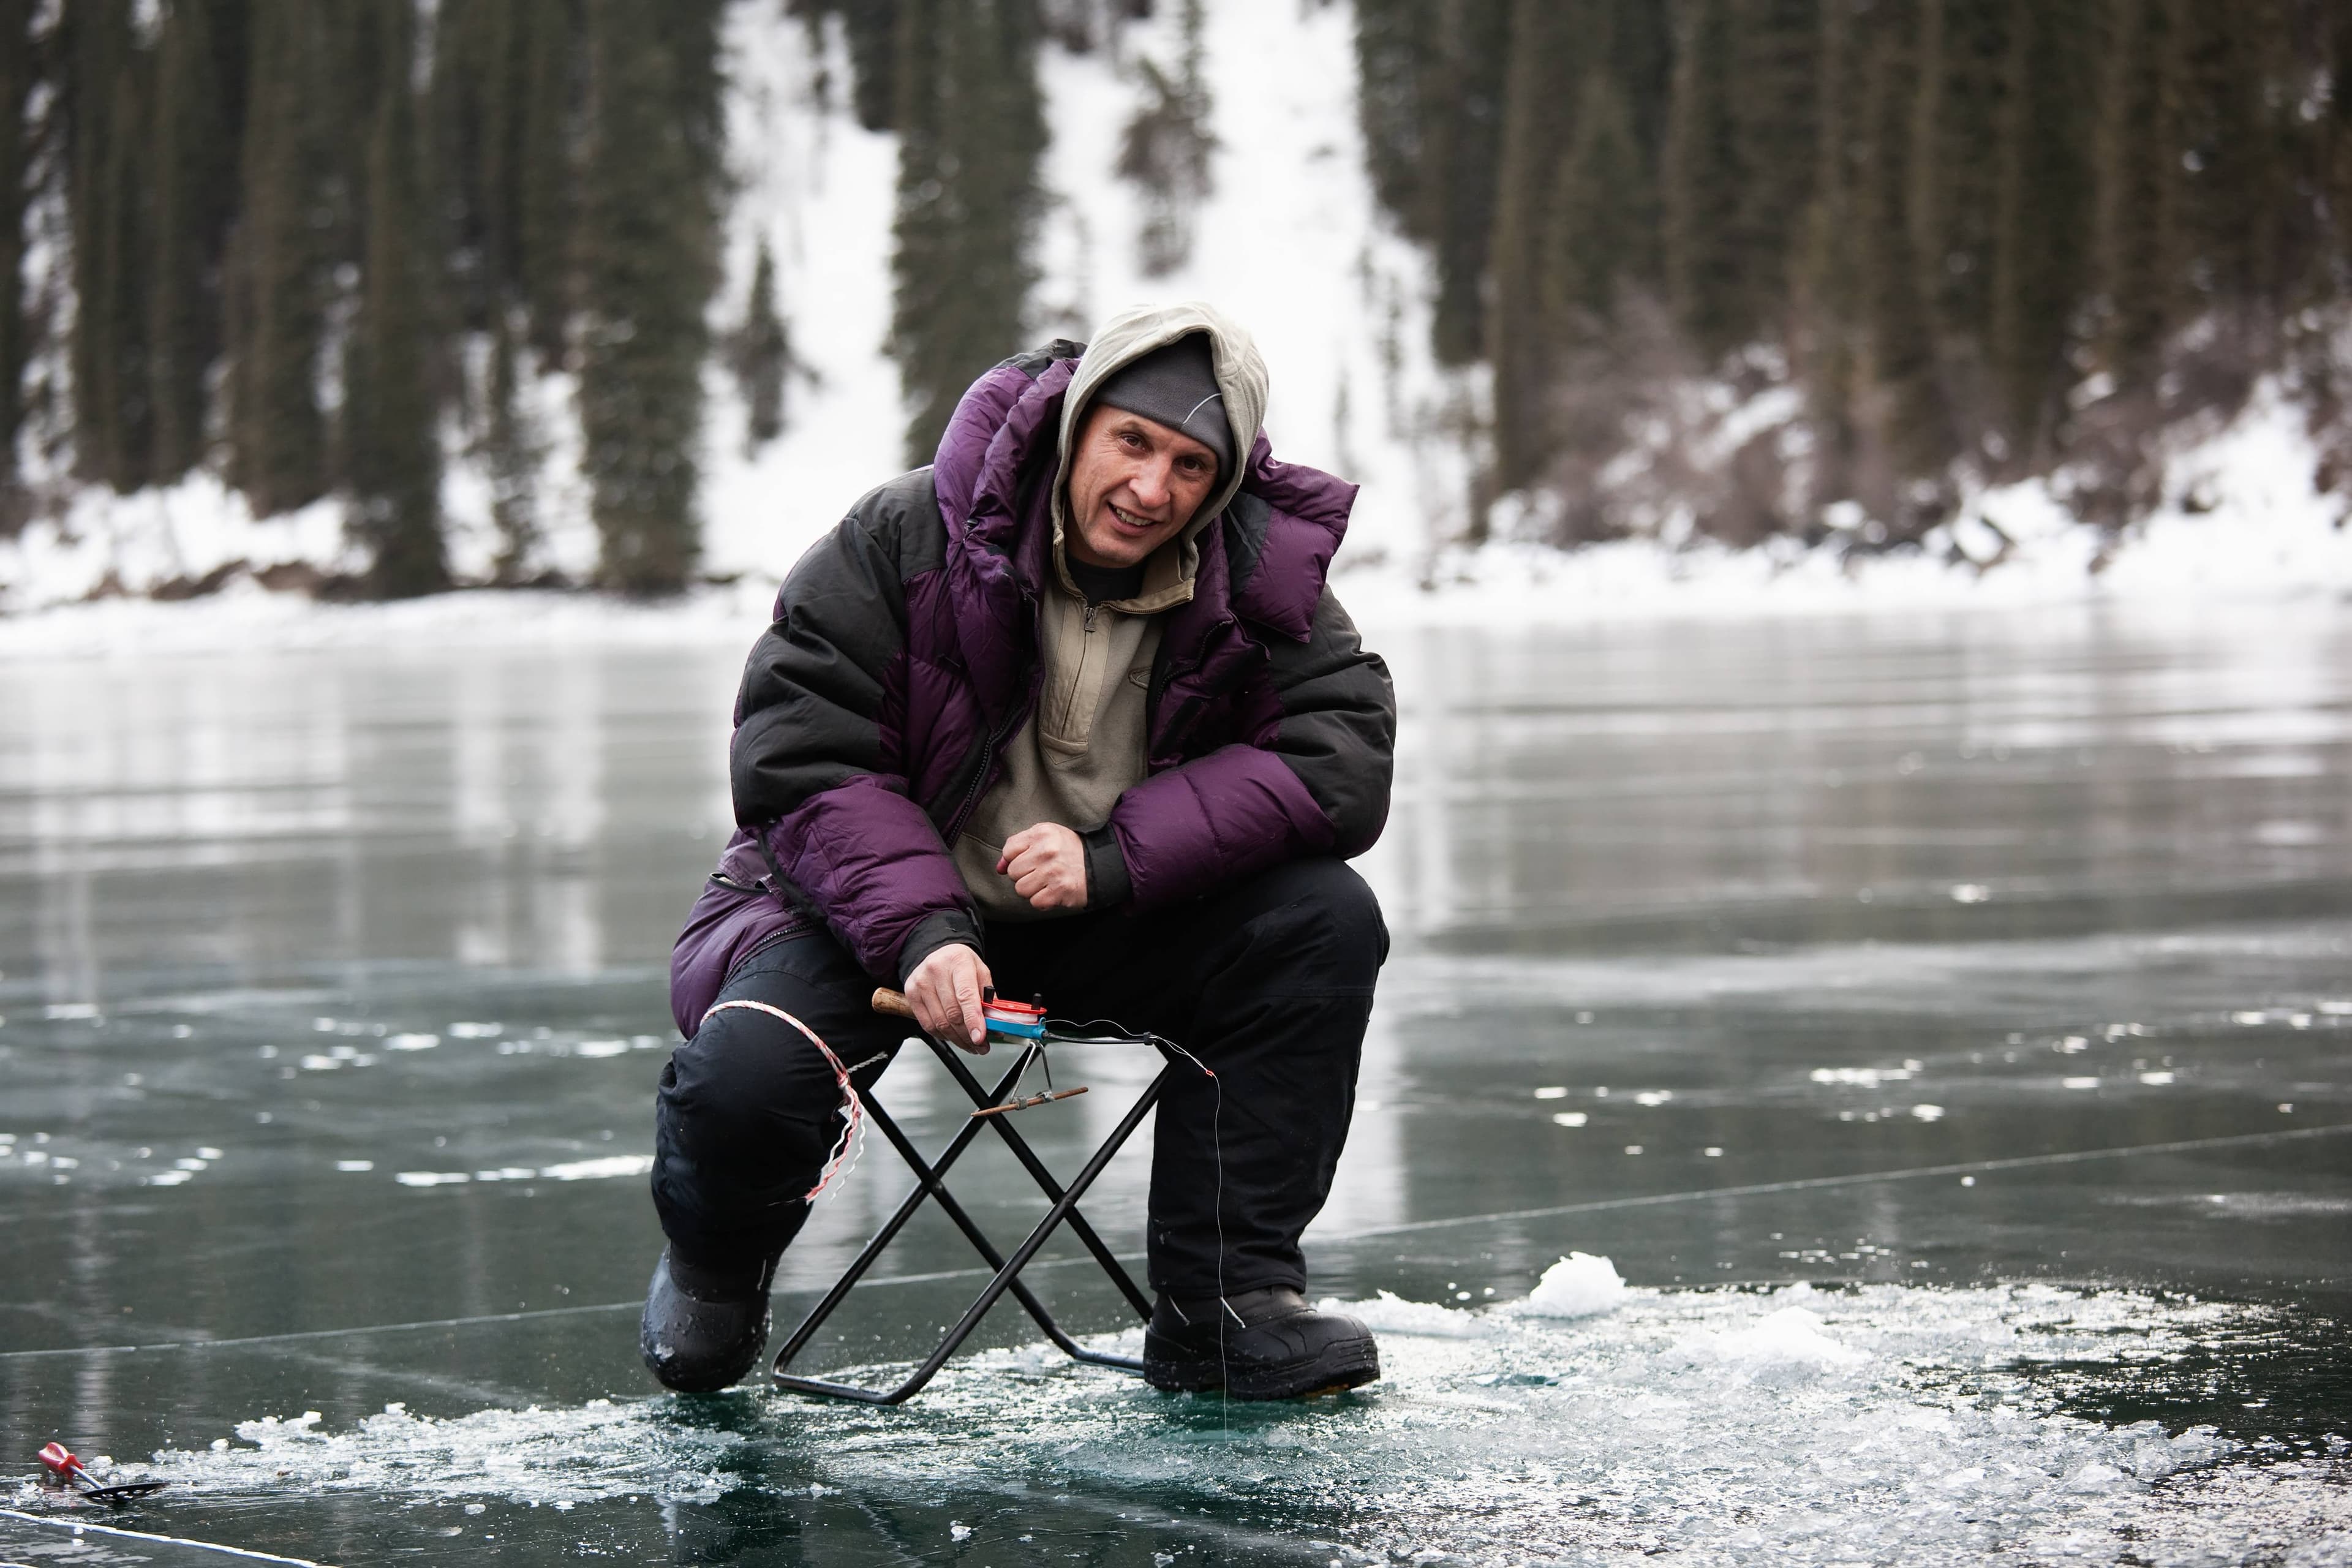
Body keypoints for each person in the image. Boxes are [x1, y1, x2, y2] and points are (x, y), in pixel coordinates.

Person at [643, 301, 1396, 1400]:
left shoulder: (1260, 576)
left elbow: (1340, 760)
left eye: (1191, 465)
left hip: (1108, 921)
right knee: (745, 1078)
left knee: (1322, 922)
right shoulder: (902, 535)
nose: (1152, 489)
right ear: (1077, 422)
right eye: (1132, 443)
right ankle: (714, 1268)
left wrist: (1116, 858)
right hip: (856, 915)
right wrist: (921, 932)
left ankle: (1226, 1307)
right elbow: (805, 763)